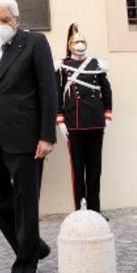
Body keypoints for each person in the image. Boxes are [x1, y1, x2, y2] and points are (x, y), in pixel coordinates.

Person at [0, 0, 57, 273]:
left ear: (17, 20)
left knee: (25, 204)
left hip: (27, 139)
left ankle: (24, 270)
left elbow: (49, 90)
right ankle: (34, 246)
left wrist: (47, 136)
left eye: (5, 20)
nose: (0, 26)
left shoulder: (35, 43)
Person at [55, 23, 112, 216]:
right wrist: (60, 120)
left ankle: (95, 210)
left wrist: (107, 115)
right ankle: (80, 210)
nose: (80, 44)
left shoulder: (97, 64)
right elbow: (57, 94)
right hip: (75, 123)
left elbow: (106, 90)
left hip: (95, 122)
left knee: (95, 169)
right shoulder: (62, 66)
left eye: (83, 41)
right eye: (76, 41)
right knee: (78, 170)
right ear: (69, 44)